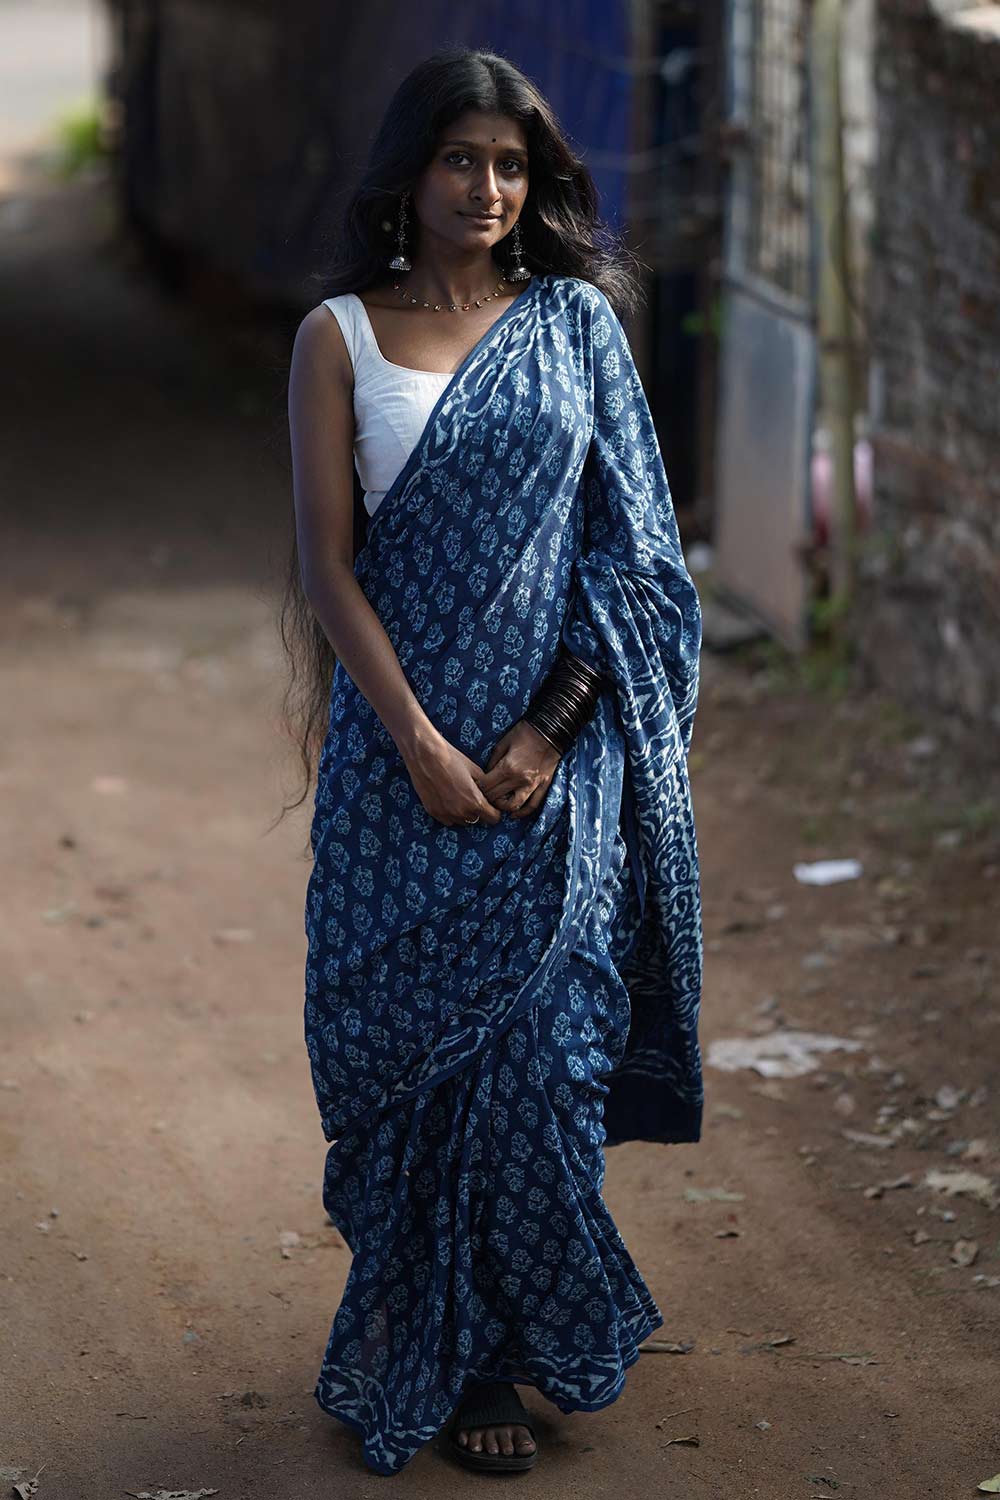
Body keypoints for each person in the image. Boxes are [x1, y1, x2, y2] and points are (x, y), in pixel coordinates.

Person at [281, 46, 704, 1478]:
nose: (489, 187)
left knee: (537, 1072)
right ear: (411, 171)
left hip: (552, 777)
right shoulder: (338, 335)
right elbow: (328, 571)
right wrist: (417, 742)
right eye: (463, 159)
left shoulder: (575, 328)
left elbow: (636, 554)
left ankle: (513, 1343)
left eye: (513, 164)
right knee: (403, 1076)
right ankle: (452, 1354)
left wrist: (540, 733)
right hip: (394, 777)